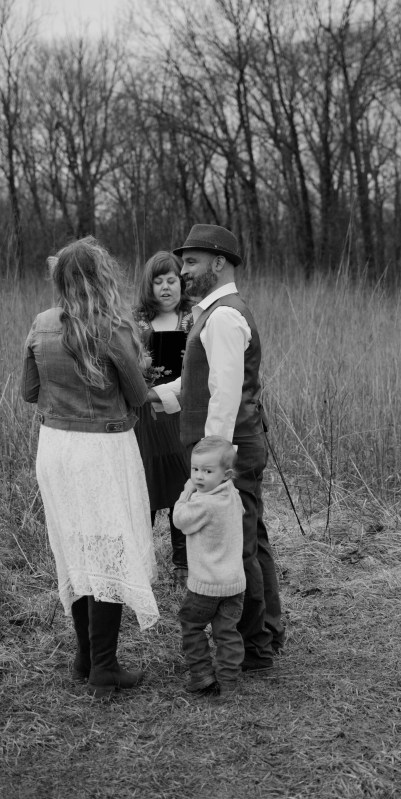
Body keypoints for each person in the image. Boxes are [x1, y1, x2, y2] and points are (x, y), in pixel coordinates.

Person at [21, 236, 160, 699]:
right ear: (102, 277)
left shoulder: (42, 324)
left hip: (55, 448)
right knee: (109, 549)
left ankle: (85, 657)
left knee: (77, 548)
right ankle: (104, 666)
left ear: (60, 279)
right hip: (102, 450)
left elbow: (28, 392)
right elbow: (138, 395)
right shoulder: (112, 328)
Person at [173, 223, 285, 673]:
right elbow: (199, 383)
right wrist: (153, 397)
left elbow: (225, 394)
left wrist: (213, 463)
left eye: (191, 261)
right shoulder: (216, 313)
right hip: (235, 448)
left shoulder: (222, 316)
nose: (183, 270)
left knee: (240, 548)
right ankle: (265, 634)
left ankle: (255, 647)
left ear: (218, 263)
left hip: (229, 453)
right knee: (251, 538)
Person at [133, 251, 193, 588]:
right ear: (149, 286)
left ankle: (183, 561)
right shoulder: (136, 322)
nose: (166, 287)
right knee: (145, 483)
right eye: (159, 282)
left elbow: (199, 370)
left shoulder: (192, 319)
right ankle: (142, 563)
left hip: (181, 413)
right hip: (144, 417)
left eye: (172, 280)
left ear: (181, 283)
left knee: (182, 483)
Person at [173, 436, 245, 697]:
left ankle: (202, 674)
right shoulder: (232, 494)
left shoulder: (203, 503)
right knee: (227, 633)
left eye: (207, 471)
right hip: (234, 583)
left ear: (226, 474)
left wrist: (185, 494)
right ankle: (229, 681)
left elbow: (180, 520)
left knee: (191, 625)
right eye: (195, 469)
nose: (199, 477)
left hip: (205, 585)